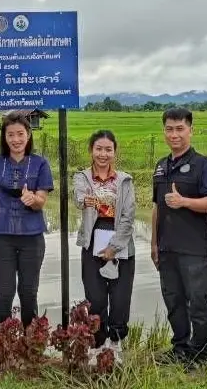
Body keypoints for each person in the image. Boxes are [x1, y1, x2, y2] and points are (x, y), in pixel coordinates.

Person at [151, 107, 207, 370]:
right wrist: (154, 243)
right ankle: (180, 348)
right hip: (167, 248)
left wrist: (184, 202)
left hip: (194, 250)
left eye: (180, 129)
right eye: (169, 129)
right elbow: (157, 207)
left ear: (190, 130)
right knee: (174, 302)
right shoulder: (160, 166)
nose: (174, 134)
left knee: (198, 303)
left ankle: (200, 355)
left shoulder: (203, 165)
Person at [0, 113, 54, 328]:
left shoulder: (40, 164)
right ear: (4, 137)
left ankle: (30, 347)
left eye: (20, 134)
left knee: (29, 293)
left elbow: (41, 201)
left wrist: (33, 199)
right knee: (4, 293)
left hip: (32, 238)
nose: (16, 139)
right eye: (10, 135)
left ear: (28, 135)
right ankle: (3, 347)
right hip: (1, 238)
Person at [72, 130, 136, 361]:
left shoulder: (125, 180)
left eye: (108, 149)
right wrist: (85, 201)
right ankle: (97, 345)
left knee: (120, 297)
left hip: (121, 243)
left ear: (114, 152)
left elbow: (128, 216)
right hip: (92, 241)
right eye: (98, 149)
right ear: (91, 151)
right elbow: (79, 197)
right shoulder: (82, 177)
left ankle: (116, 343)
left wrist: (114, 247)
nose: (103, 154)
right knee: (96, 297)